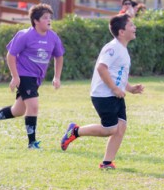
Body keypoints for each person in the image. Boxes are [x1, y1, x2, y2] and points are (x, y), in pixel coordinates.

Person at [60, 13, 144, 169]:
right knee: (110, 129)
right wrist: (113, 88)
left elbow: (117, 75)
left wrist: (131, 88)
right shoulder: (113, 48)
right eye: (131, 25)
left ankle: (106, 162)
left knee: (121, 127)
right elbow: (101, 68)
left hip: (114, 94)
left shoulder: (122, 49)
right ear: (121, 31)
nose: (135, 28)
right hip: (103, 95)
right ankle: (75, 131)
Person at [0, 3, 65, 149]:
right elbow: (11, 55)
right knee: (34, 107)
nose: (49, 20)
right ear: (36, 21)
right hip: (24, 75)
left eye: (50, 17)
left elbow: (59, 56)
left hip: (36, 78)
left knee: (18, 111)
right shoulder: (25, 35)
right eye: (45, 18)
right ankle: (32, 143)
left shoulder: (53, 37)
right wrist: (15, 76)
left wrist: (57, 77)